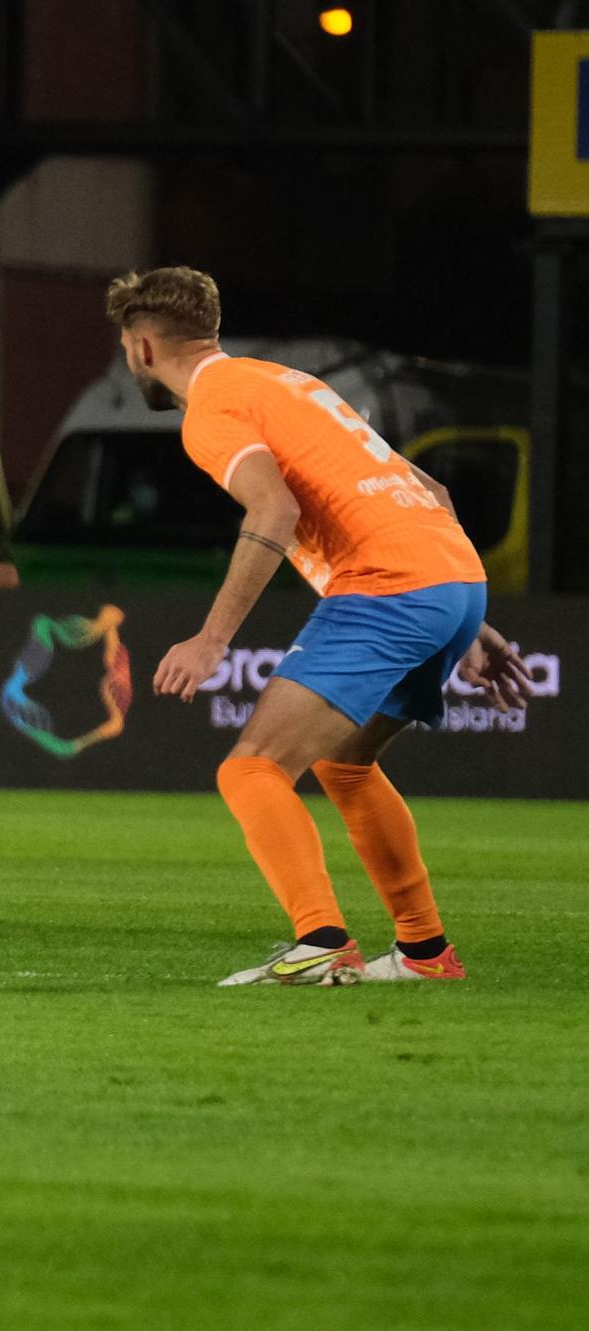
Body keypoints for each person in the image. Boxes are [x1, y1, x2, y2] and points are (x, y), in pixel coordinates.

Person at [107, 266, 532, 986]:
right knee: (345, 764)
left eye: (124, 346)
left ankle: (322, 943)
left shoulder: (210, 410)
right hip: (450, 577)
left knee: (251, 768)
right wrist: (470, 621)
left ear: (143, 348)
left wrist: (212, 639)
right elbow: (428, 488)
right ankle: (426, 954)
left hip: (392, 586)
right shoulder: (288, 382)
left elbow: (273, 511)